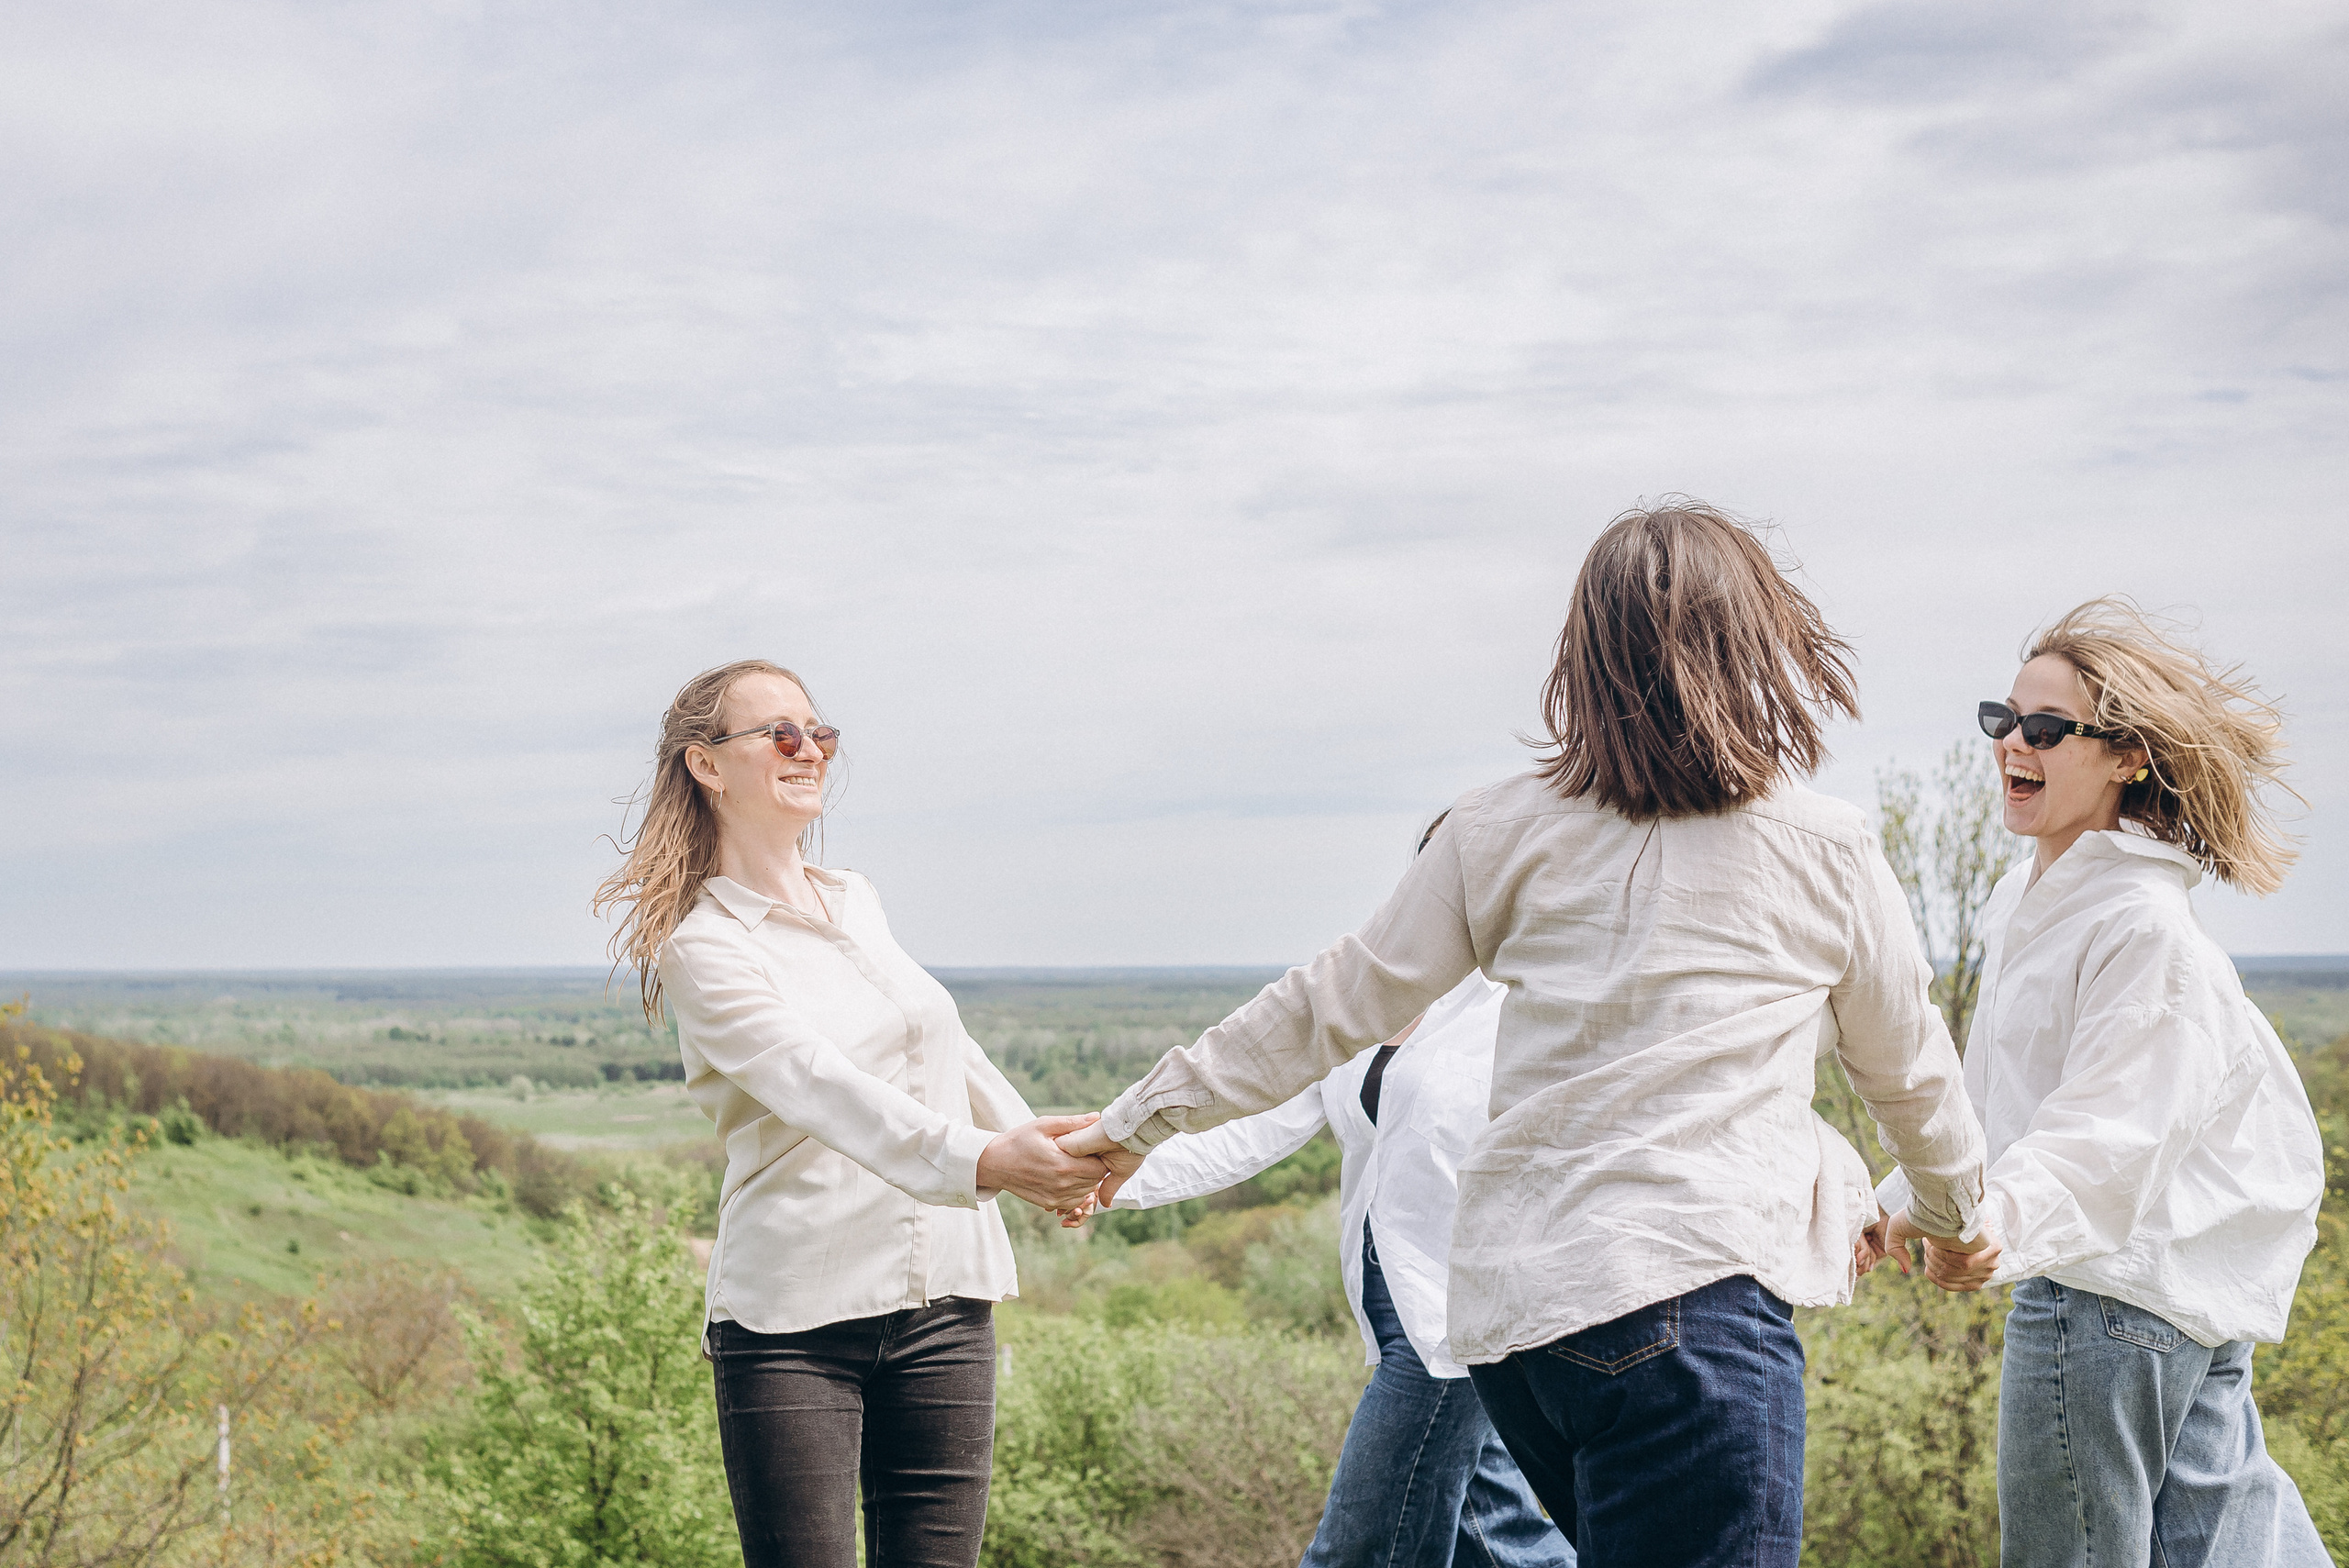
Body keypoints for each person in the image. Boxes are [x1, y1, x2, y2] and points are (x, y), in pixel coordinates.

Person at [1063, 500, 1989, 1568]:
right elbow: (1913, 1079)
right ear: (1761, 647)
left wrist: (1133, 1123)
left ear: (1583, 656)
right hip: (1693, 1309)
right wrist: (1949, 1216)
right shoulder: (1823, 848)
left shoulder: (1495, 826)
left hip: (1526, 1327)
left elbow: (1325, 1003)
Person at [594, 659, 1108, 1568]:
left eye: (818, 731)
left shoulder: (856, 898)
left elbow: (942, 1043)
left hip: (945, 1298)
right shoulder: (704, 947)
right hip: (794, 1321)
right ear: (706, 765)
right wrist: (992, 1161)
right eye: (779, 733)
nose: (809, 748)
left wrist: (1050, 1149)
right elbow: (820, 1083)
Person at [1878, 601, 2326, 1566]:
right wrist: (1904, 1204)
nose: (2013, 745)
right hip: (2166, 1300)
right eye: (2004, 720)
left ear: (2126, 756)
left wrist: (1994, 1228)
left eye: (2045, 728)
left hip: (2104, 1300)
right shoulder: (2033, 901)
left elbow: (2110, 1137)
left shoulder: (2141, 927)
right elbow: (1997, 1103)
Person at [1110, 866, 1575, 1568]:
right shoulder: (1370, 1003)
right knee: (1497, 1536)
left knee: (1356, 1548)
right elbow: (1255, 1127)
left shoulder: (1522, 1005)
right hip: (1390, 1308)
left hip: (1460, 1323)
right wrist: (1106, 1176)